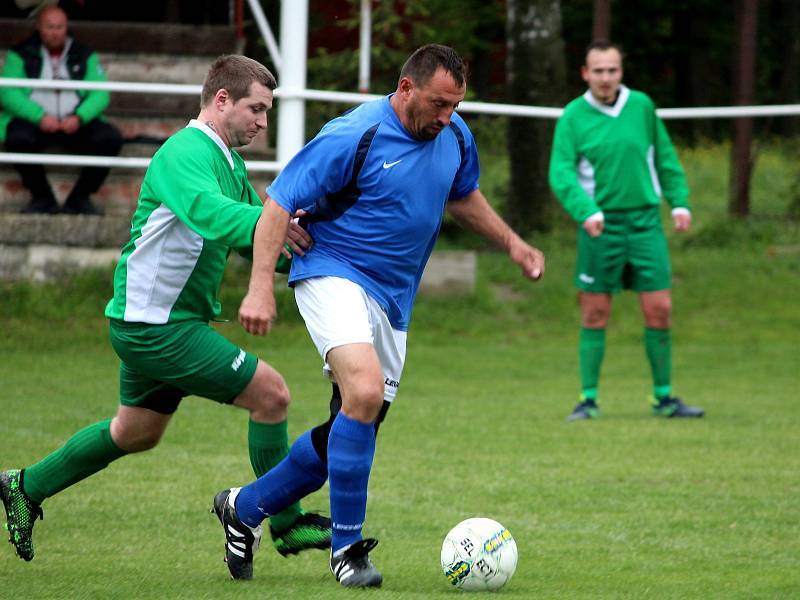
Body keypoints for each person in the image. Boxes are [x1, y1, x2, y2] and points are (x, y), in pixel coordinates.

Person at [211, 44, 545, 589]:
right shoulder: (354, 134)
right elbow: (279, 202)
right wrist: (258, 291)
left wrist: (513, 244)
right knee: (364, 393)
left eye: (455, 106)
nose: (446, 117)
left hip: (394, 299)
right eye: (438, 104)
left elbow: (462, 195)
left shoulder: (454, 135)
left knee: (356, 421)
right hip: (332, 271)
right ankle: (346, 551)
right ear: (406, 88)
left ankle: (244, 507)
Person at [0, 55, 332, 570]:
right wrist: (275, 216)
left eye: (267, 112)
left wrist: (320, 247)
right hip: (156, 328)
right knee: (272, 395)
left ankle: (25, 485)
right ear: (221, 100)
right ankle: (286, 524)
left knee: (134, 432)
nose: (263, 122)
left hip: (154, 323)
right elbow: (214, 214)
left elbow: (258, 241)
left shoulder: (228, 161)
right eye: (256, 109)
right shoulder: (184, 152)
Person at [548, 41, 704, 421]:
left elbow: (665, 159)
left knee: (660, 309)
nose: (605, 77)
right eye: (598, 70)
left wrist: (679, 201)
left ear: (621, 72)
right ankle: (588, 400)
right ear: (586, 74)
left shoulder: (642, 107)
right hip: (601, 226)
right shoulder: (573, 116)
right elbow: (561, 172)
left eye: (612, 70)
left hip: (646, 222)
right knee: (595, 312)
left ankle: (664, 398)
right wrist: (585, 211)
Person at [0, 4, 123, 214]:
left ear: (66, 27)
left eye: (60, 27)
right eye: (50, 27)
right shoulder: (20, 54)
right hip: (35, 124)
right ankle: (42, 198)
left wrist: (79, 117)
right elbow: (7, 93)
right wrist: (39, 117)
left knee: (110, 138)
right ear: (38, 27)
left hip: (74, 124)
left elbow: (101, 94)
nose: (55, 32)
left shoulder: (84, 54)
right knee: (17, 138)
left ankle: (79, 198)